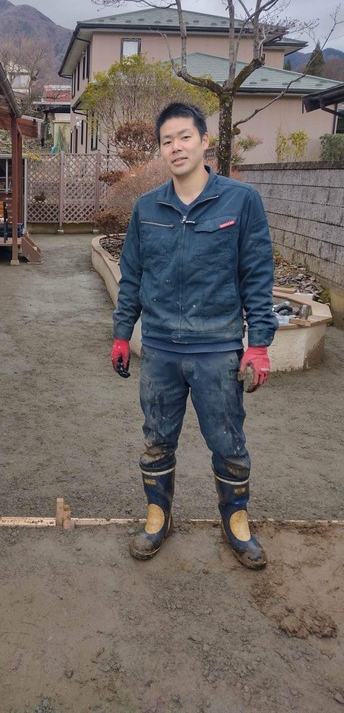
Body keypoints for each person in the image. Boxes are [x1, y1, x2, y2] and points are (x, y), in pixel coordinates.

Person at [111, 102, 277, 570]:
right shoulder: (147, 208)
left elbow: (257, 275)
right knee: (157, 438)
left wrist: (259, 343)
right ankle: (157, 514)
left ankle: (236, 520)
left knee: (227, 441)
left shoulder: (241, 202)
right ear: (161, 150)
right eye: (167, 141)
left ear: (205, 141)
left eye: (185, 137)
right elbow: (132, 276)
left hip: (217, 350)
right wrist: (123, 334)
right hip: (160, 350)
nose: (176, 147)